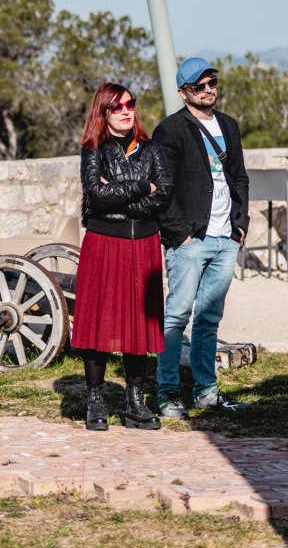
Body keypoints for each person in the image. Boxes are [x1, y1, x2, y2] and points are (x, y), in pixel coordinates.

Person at [152, 57, 250, 418]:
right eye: (200, 85)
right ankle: (167, 393)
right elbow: (164, 188)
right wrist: (180, 234)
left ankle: (206, 392)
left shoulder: (229, 125)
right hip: (191, 240)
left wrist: (241, 223)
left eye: (212, 83)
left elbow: (239, 177)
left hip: (227, 239)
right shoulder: (171, 130)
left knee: (209, 319)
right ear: (183, 92)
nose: (209, 89)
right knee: (177, 316)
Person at [73, 83, 173, 431]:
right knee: (98, 325)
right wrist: (142, 187)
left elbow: (165, 196)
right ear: (103, 112)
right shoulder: (92, 150)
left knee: (138, 327)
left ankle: (134, 403)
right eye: (117, 107)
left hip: (142, 244)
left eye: (130, 104)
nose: (126, 111)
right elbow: (97, 195)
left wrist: (124, 195)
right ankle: (96, 400)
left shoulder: (152, 149)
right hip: (104, 242)